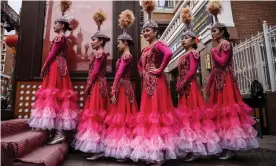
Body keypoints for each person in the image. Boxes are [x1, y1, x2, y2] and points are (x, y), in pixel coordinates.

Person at [206, 0, 259, 160]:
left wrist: (214, 52)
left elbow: (222, 63)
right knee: (220, 114)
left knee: (229, 114)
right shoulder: (217, 46)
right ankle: (224, 145)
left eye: (214, 30)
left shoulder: (226, 45)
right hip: (218, 83)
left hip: (227, 82)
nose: (212, 33)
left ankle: (232, 148)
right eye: (212, 31)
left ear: (221, 31)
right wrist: (209, 85)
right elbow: (215, 69)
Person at [130, 1, 181, 165]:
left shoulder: (159, 44)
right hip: (147, 86)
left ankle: (159, 154)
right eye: (143, 30)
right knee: (148, 118)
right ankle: (152, 152)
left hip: (157, 85)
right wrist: (143, 74)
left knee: (158, 115)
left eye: (148, 30)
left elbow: (169, 53)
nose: (145, 33)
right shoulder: (145, 49)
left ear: (155, 31)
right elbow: (139, 64)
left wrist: (159, 70)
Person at [28, 0, 79, 145]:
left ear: (62, 25)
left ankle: (59, 133)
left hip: (56, 66)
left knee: (55, 96)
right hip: (59, 67)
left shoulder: (59, 37)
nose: (54, 25)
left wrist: (44, 66)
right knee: (58, 98)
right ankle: (58, 132)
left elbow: (51, 54)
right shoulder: (63, 38)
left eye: (56, 23)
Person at [175, 7, 221, 161]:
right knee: (186, 119)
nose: (182, 40)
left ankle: (197, 150)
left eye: (185, 38)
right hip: (184, 88)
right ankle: (190, 149)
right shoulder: (184, 55)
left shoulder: (194, 53)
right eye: (182, 38)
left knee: (194, 117)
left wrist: (182, 84)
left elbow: (192, 71)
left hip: (191, 88)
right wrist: (180, 85)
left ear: (193, 40)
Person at [73, 9, 110, 161]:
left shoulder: (99, 53)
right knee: (96, 116)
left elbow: (94, 73)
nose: (92, 41)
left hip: (96, 85)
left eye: (94, 39)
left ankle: (99, 149)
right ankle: (98, 148)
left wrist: (88, 87)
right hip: (97, 85)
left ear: (100, 41)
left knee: (96, 115)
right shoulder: (98, 53)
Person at [104, 10, 139, 162]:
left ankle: (125, 151)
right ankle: (124, 149)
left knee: (124, 118)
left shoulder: (126, 56)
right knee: (123, 117)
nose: (117, 45)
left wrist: (113, 89)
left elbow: (118, 74)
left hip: (123, 88)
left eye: (118, 42)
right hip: (124, 87)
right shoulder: (126, 55)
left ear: (125, 42)